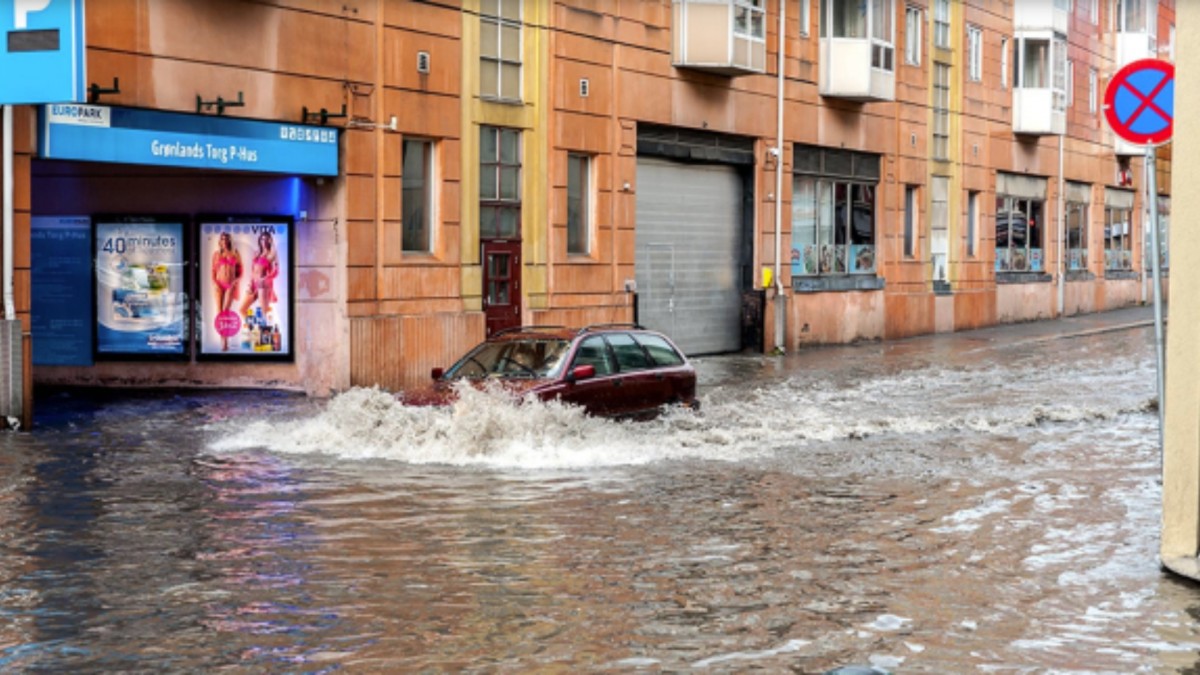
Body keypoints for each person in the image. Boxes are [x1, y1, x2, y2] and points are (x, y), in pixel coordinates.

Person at [210, 232, 243, 351]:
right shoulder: (216, 254)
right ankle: (223, 341)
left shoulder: (235, 253)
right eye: (222, 239)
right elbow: (213, 271)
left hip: (230, 285)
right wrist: (214, 283)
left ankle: (226, 340)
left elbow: (240, 270)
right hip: (219, 285)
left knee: (225, 312)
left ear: (229, 240)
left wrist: (235, 281)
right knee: (219, 313)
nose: (224, 240)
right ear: (220, 241)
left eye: (226, 238)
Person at [240, 231, 279, 321]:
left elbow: (276, 271)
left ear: (270, 241)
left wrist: (266, 278)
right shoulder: (256, 253)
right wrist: (250, 284)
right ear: (259, 241)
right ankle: (254, 327)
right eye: (262, 239)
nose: (264, 242)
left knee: (263, 313)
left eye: (266, 239)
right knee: (242, 310)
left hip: (263, 285)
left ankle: (264, 333)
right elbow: (252, 270)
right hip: (254, 285)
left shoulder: (272, 254)